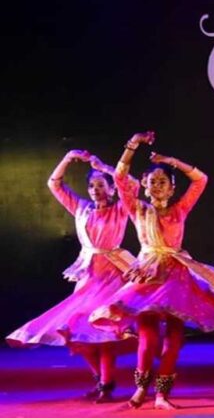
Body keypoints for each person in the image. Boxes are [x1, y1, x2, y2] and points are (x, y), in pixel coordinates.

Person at [90, 131, 214, 409]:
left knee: (174, 340)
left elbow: (201, 179)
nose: (157, 186)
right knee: (147, 339)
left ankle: (161, 395)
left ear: (171, 188)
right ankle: (140, 389)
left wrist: (172, 162)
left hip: (176, 277)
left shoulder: (180, 209)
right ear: (145, 186)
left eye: (163, 182)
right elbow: (120, 178)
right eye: (152, 182)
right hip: (147, 274)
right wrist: (133, 145)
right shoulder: (137, 209)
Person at [7, 150, 136, 403]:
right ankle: (100, 380)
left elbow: (131, 185)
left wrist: (104, 167)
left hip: (112, 275)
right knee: (75, 330)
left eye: (101, 185)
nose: (95, 190)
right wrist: (68, 158)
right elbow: (54, 184)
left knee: (105, 332)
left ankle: (107, 385)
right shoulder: (82, 209)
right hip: (88, 275)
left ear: (112, 189)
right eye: (92, 186)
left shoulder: (121, 208)